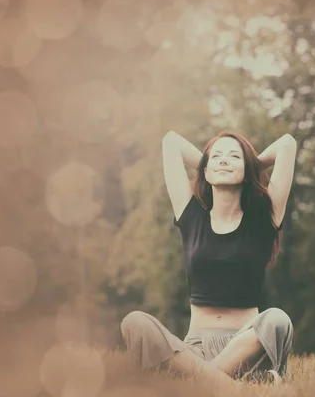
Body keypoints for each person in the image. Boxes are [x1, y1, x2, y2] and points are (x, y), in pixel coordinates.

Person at [120, 130, 298, 385]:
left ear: (247, 170)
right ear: (205, 170)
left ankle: (194, 381)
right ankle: (231, 386)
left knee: (277, 319)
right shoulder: (191, 214)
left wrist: (248, 164)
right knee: (134, 322)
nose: (224, 160)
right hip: (195, 349)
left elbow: (287, 144)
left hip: (247, 345)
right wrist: (217, 165)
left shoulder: (263, 217)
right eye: (216, 157)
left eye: (234, 156)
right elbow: (171, 141)